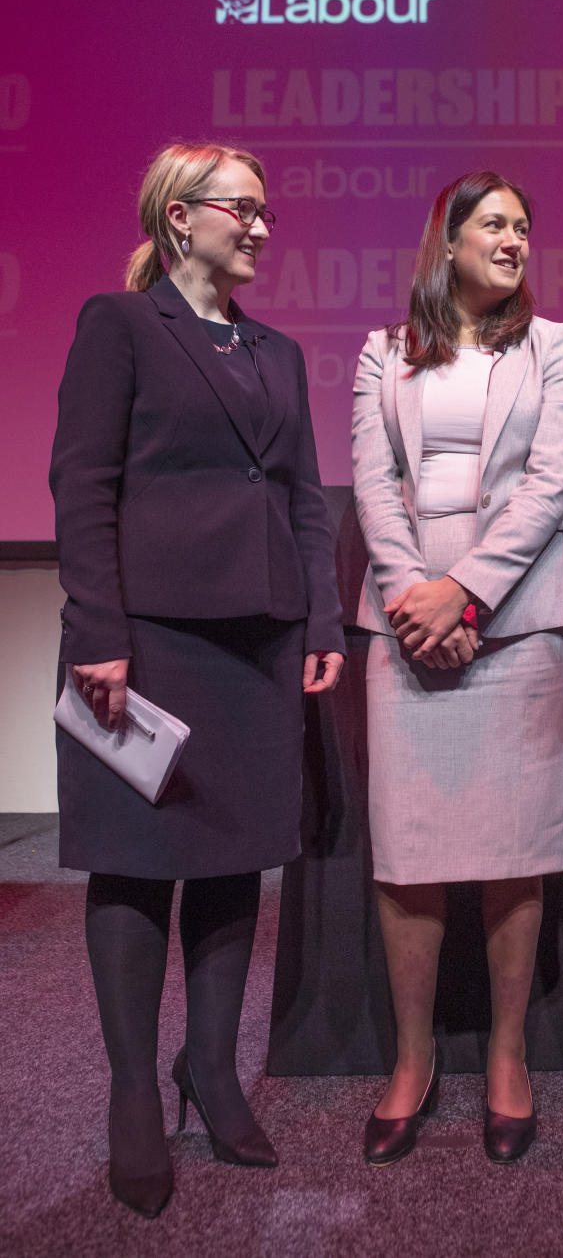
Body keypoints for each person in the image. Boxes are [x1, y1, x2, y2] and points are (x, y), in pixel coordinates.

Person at [50, 142, 344, 1219]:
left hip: (261, 640)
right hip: (150, 637)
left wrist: (320, 616)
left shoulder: (277, 349)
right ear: (181, 217)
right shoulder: (120, 325)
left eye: (268, 211)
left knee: (234, 858)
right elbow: (80, 482)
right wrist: (97, 631)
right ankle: (136, 1090)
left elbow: (305, 495)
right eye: (242, 209)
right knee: (135, 861)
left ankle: (209, 1068)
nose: (262, 226)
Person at [351, 170, 563, 1166]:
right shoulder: (379, 352)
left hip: (523, 612)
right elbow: (374, 485)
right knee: (408, 853)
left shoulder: (555, 347)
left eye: (526, 226)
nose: (516, 239)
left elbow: (551, 486)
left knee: (513, 847)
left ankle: (506, 1058)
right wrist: (420, 597)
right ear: (446, 242)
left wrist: (471, 593)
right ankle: (411, 1064)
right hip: (408, 618)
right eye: (494, 223)